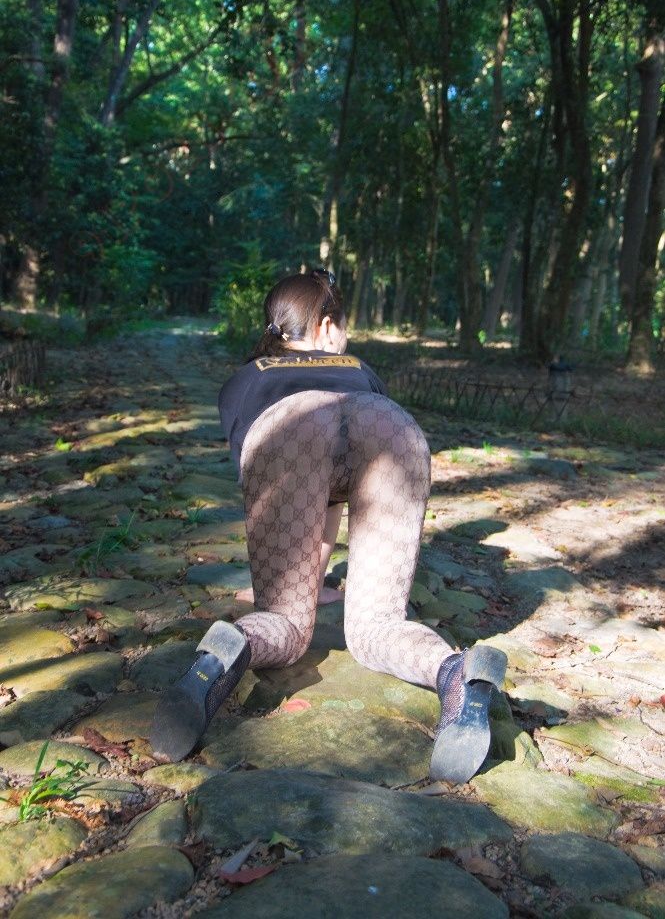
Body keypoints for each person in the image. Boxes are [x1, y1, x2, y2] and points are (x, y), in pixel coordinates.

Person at [150, 269, 507, 784]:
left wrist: (296, 593)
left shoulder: (247, 379)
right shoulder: (359, 369)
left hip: (289, 428)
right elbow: (335, 499)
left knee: (286, 626)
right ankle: (454, 672)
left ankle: (222, 655)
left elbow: (293, 502)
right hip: (390, 425)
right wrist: (314, 582)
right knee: (378, 626)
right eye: (344, 326)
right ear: (325, 326)